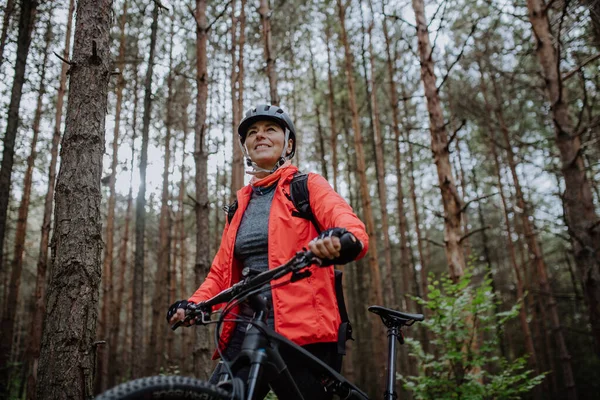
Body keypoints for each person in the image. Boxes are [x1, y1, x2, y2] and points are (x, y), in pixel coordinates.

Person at [167, 104, 368, 399]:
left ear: (288, 144)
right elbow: (222, 274)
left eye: (270, 129)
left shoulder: (306, 186)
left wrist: (342, 239)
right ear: (246, 146)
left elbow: (349, 225)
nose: (260, 136)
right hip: (246, 324)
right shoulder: (238, 206)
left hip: (302, 327)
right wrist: (195, 303)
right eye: (252, 132)